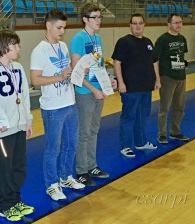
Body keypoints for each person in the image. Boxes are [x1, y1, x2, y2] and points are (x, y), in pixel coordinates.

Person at [0, 30, 34, 222]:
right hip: (3, 131)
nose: (19, 49)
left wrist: (27, 121)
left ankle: (16, 200)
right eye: (15, 45)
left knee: (19, 166)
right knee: (5, 168)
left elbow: (25, 96)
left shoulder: (18, 68)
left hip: (19, 126)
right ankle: (5, 206)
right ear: (4, 47)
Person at [30, 9, 85, 201]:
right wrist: (59, 77)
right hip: (53, 108)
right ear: (48, 25)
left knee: (71, 144)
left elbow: (66, 72)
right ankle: (51, 184)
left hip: (70, 102)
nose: (62, 31)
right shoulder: (39, 51)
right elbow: (35, 80)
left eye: (64, 28)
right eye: (59, 27)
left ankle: (65, 177)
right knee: (53, 148)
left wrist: (75, 73)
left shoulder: (62, 45)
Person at [70, 3, 117, 186]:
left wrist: (108, 82)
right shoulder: (78, 39)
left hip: (98, 91)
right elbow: (76, 71)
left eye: (100, 17)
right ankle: (81, 170)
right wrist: (94, 89)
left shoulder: (98, 38)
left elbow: (98, 66)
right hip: (85, 92)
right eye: (94, 17)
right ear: (85, 19)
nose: (98, 20)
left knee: (94, 130)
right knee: (84, 133)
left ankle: (92, 165)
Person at [112, 13, 161, 158]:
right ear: (130, 25)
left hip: (146, 87)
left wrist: (157, 79)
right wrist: (121, 82)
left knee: (142, 116)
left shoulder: (148, 42)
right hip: (130, 88)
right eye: (134, 23)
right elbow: (117, 62)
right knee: (129, 117)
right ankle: (125, 146)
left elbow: (154, 62)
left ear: (144, 25)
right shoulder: (124, 42)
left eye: (140, 23)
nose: (138, 26)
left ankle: (141, 142)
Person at [155, 13, 189, 144]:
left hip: (181, 77)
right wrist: (158, 78)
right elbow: (155, 60)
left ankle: (175, 132)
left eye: (180, 22)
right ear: (168, 24)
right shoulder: (162, 40)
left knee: (179, 107)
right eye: (176, 22)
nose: (179, 25)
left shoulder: (182, 39)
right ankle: (162, 134)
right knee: (165, 108)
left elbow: (181, 56)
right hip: (167, 78)